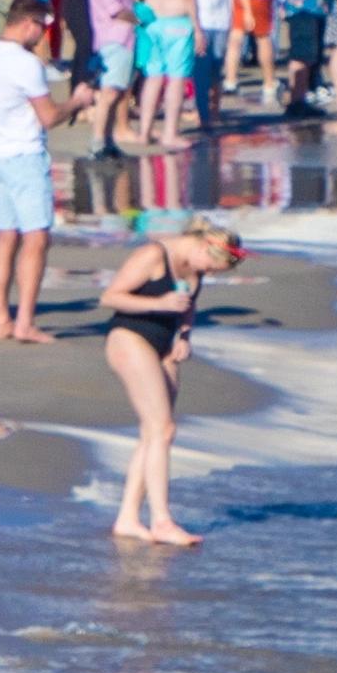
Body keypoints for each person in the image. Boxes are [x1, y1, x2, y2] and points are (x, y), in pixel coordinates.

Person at [96, 219, 245, 549]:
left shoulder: (196, 265)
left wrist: (185, 335)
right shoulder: (152, 255)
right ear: (205, 246)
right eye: (211, 267)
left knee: (154, 433)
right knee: (163, 429)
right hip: (130, 338)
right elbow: (110, 297)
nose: (208, 273)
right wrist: (158, 303)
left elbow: (189, 305)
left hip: (165, 346)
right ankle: (162, 521)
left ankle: (128, 518)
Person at [0, 4, 63, 342]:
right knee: (36, 237)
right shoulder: (26, 63)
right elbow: (49, 117)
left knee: (5, 236)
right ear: (27, 23)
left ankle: (0, 318)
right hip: (22, 154)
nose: (42, 34)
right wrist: (78, 102)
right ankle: (25, 321)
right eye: (41, 26)